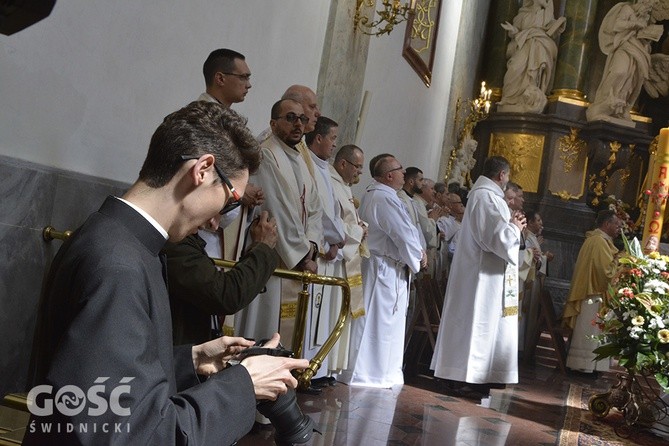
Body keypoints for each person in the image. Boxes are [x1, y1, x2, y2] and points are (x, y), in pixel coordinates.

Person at [25, 101, 309, 445]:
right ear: (202, 170)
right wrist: (244, 385)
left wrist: (191, 361)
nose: (218, 220)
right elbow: (131, 434)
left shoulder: (117, 236)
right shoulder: (119, 265)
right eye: (231, 199)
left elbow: (101, 379)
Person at [430, 156, 526, 399]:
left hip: (487, 274)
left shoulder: (488, 196)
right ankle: (468, 377)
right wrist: (514, 227)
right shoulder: (485, 197)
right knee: (477, 322)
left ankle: (478, 375)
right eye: (508, 175)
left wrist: (513, 227)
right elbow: (493, 237)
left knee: (482, 324)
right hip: (481, 277)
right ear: (502, 175)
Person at [234, 99, 323, 350]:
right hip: (274, 254)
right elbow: (276, 210)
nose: (298, 124)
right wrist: (303, 254)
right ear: (273, 123)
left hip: (298, 252)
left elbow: (315, 209)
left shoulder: (301, 159)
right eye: (290, 118)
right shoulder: (266, 154)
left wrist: (312, 245)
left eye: (302, 119)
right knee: (265, 323)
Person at [342, 154, 425, 388]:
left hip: (385, 266)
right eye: (400, 169)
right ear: (389, 175)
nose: (403, 173)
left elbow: (407, 230)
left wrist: (417, 252)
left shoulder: (380, 194)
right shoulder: (383, 197)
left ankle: (379, 372)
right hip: (384, 269)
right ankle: (368, 373)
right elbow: (403, 233)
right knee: (377, 323)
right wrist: (418, 256)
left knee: (381, 322)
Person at [163, 210, 280, 345]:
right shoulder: (173, 241)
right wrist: (262, 247)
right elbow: (227, 294)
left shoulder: (181, 236)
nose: (214, 225)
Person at [302, 116, 346, 384]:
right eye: (333, 139)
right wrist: (335, 239)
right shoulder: (310, 165)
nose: (334, 145)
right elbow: (320, 211)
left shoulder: (324, 168)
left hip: (327, 246)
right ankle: (305, 370)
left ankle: (311, 370)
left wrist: (337, 240)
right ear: (318, 138)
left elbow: (333, 210)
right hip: (316, 249)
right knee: (309, 318)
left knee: (316, 317)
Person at [562, 209, 621, 373]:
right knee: (589, 330)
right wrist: (619, 262)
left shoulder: (599, 240)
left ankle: (588, 365)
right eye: (617, 225)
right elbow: (604, 274)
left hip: (592, 293)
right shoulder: (598, 242)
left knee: (590, 330)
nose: (619, 229)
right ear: (607, 224)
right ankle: (583, 365)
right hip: (593, 295)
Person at [328, 144, 368, 377]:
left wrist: (360, 228)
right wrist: (358, 232)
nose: (359, 174)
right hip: (336, 259)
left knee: (341, 313)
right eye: (358, 168)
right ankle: (325, 366)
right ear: (343, 163)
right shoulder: (331, 183)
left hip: (346, 258)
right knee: (333, 313)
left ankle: (332, 367)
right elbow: (330, 221)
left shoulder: (343, 186)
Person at [586, 0, 661, 123]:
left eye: (650, 9)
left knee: (632, 79)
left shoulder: (644, 18)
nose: (648, 10)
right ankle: (604, 103)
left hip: (638, 49)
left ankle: (621, 109)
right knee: (619, 72)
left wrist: (647, 37)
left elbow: (642, 36)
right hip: (623, 45)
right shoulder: (627, 9)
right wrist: (635, 24)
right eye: (647, 7)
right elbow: (617, 25)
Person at [498, 0, 566, 113]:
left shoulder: (547, 16)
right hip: (524, 44)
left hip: (539, 46)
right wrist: (513, 30)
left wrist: (559, 25)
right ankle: (509, 99)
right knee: (514, 67)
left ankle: (529, 99)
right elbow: (515, 32)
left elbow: (552, 32)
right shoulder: (523, 14)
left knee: (534, 74)